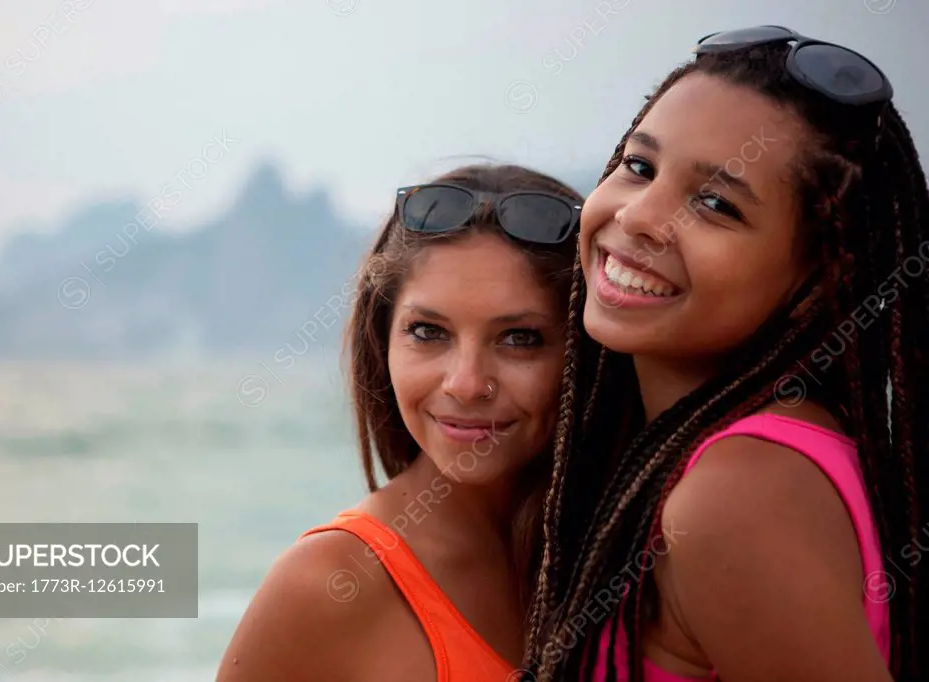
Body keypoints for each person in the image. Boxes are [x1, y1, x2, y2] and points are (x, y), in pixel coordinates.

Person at [522, 26, 928, 682]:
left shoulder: (737, 494)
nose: (640, 218)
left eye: (715, 204)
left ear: (819, 282)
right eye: (639, 167)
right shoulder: (778, 455)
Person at [216, 164, 584, 681]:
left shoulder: (631, 557)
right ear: (383, 341)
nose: (466, 382)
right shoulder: (329, 583)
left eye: (519, 338)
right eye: (429, 332)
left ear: (587, 354)